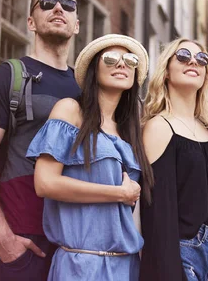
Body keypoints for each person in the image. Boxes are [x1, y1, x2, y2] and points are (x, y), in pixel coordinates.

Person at [0, 0, 81, 280]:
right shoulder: (9, 77)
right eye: (47, 4)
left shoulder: (86, 88)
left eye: (68, 5)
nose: (58, 8)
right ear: (31, 21)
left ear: (76, 24)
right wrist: (3, 237)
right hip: (21, 240)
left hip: (73, 244)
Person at [26, 34, 153, 280]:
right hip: (81, 265)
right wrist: (119, 193)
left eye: (130, 59)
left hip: (126, 267)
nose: (121, 64)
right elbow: (45, 183)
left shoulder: (130, 130)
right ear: (94, 68)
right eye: (111, 58)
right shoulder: (71, 111)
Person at [139, 38, 208, 281]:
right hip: (182, 252)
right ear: (166, 71)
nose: (193, 62)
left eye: (202, 59)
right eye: (183, 55)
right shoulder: (159, 126)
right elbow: (157, 212)